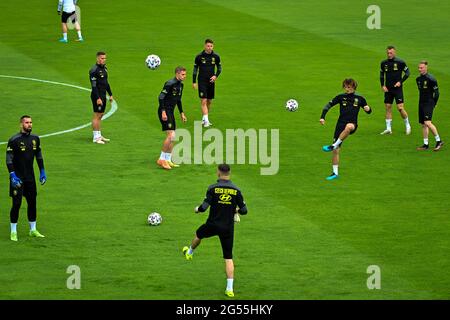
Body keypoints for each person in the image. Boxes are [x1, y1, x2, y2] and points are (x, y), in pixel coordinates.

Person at [182, 164, 247, 297]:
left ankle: (189, 252)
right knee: (228, 258)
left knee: (198, 234)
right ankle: (230, 289)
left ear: (218, 173)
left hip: (213, 224)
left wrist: (197, 210)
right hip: (227, 228)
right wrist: (236, 210)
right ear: (229, 173)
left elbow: (204, 207)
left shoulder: (213, 188)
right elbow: (244, 211)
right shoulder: (236, 190)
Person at [320, 79, 372, 180]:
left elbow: (369, 110)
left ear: (354, 87)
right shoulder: (340, 97)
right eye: (345, 87)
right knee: (336, 151)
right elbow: (328, 106)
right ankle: (335, 173)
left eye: (349, 87)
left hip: (352, 124)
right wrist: (322, 117)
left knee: (348, 127)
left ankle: (333, 145)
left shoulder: (360, 98)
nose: (346, 89)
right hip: (340, 125)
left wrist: (368, 109)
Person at [6, 116, 47, 242]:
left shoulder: (35, 139)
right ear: (21, 124)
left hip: (30, 178)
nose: (29, 124)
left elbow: (38, 156)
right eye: (27, 122)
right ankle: (13, 231)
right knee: (17, 204)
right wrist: (12, 175)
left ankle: (33, 230)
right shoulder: (14, 140)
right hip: (17, 178)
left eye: (30, 122)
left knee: (32, 203)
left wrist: (42, 171)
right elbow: (9, 159)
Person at [156, 66, 187, 170]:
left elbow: (178, 99)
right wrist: (163, 112)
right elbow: (160, 97)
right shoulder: (169, 83)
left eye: (185, 74)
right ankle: (161, 159)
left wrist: (181, 112)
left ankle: (168, 159)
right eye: (183, 74)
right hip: (164, 111)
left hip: (171, 112)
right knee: (171, 135)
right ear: (177, 74)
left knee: (173, 136)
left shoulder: (181, 85)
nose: (184, 76)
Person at [379, 46, 411, 135]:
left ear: (395, 53)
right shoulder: (383, 63)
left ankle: (408, 125)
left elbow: (408, 73)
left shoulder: (400, 62)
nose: (389, 55)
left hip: (397, 89)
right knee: (388, 107)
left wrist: (400, 82)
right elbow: (381, 75)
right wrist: (382, 85)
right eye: (388, 53)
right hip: (388, 89)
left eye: (391, 53)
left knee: (400, 108)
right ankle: (388, 129)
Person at [193, 39, 222, 127]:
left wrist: (215, 76)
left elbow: (219, 68)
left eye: (211, 46)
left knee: (209, 101)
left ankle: (204, 118)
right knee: (204, 100)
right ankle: (206, 121)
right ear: (205, 46)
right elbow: (195, 70)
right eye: (208, 46)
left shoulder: (216, 57)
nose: (209, 48)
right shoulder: (199, 56)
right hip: (202, 81)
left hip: (211, 82)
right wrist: (194, 81)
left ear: (213, 46)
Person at [416, 61, 443, 151]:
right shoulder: (418, 79)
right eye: (419, 68)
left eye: (422, 68)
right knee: (423, 124)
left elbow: (437, 93)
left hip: (429, 103)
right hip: (421, 103)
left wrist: (434, 103)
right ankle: (425, 144)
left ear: (426, 68)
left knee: (428, 122)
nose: (420, 69)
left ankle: (439, 141)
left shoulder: (431, 79)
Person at [89, 51, 114, 144]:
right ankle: (95, 137)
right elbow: (94, 86)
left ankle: (99, 135)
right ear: (97, 58)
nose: (104, 60)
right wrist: (98, 98)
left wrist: (110, 94)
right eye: (102, 58)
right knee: (97, 115)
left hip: (103, 95)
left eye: (105, 58)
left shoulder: (105, 69)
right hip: (97, 96)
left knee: (101, 115)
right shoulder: (94, 70)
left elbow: (106, 83)